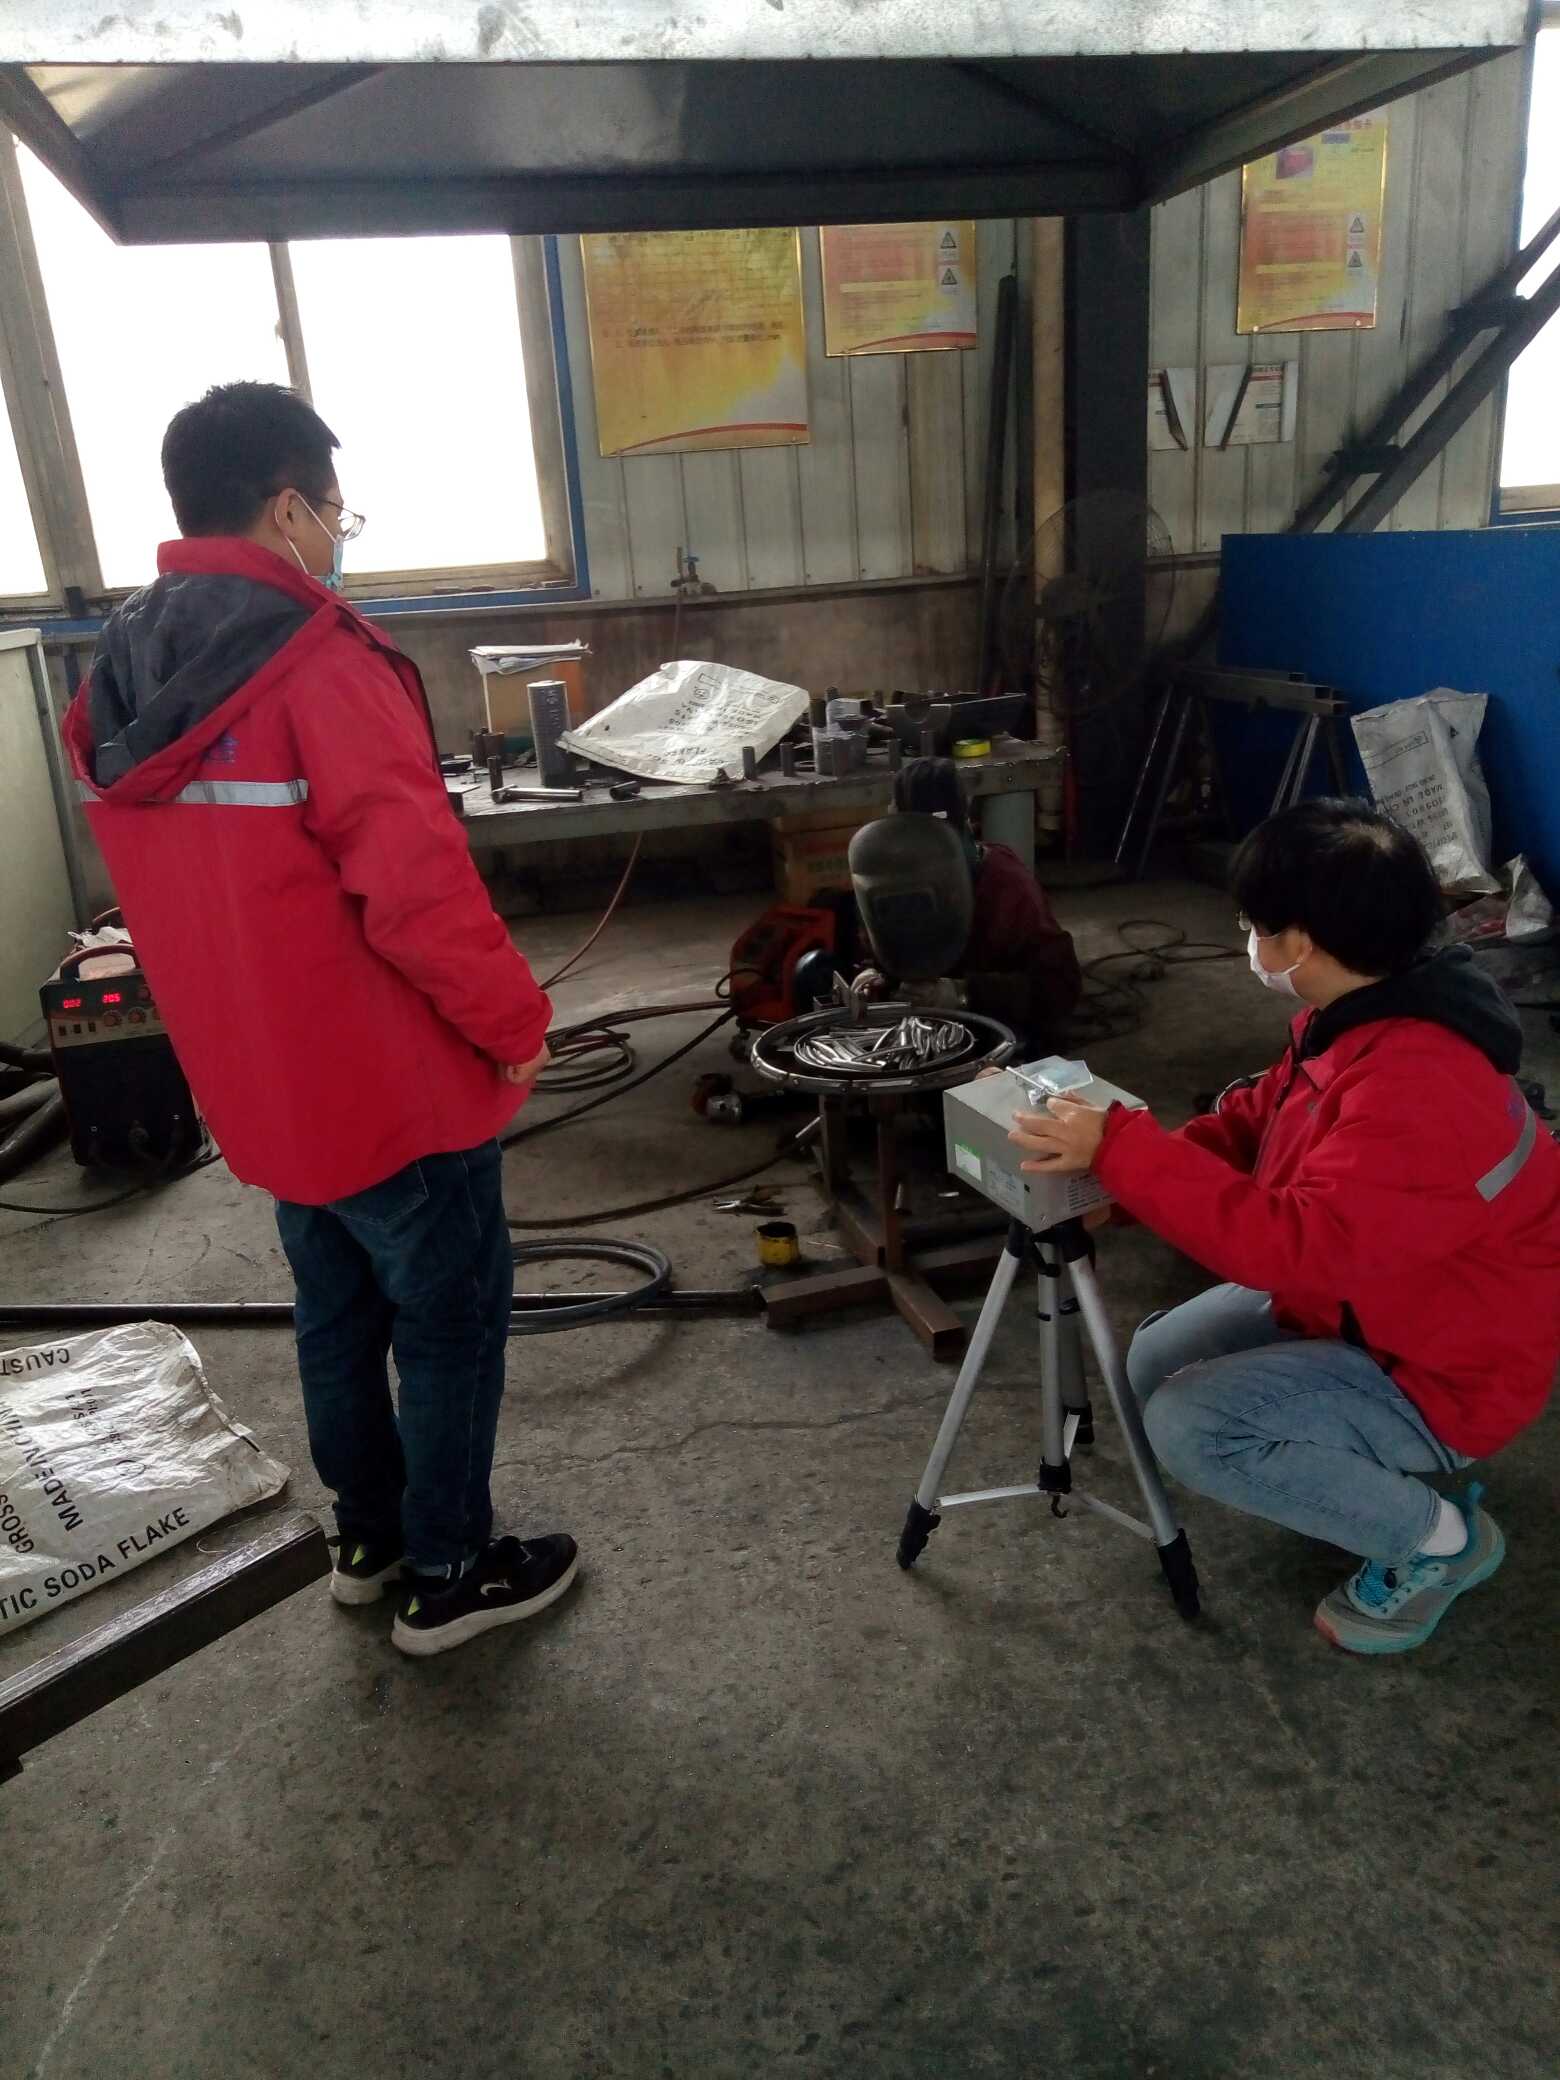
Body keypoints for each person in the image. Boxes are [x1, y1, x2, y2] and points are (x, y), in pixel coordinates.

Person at [63, 381, 577, 1659]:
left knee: (336, 1317)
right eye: (336, 512)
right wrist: (512, 1020)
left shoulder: (116, 681)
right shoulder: (320, 664)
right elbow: (416, 891)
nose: (339, 536)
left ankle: (370, 1541)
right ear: (288, 508)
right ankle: (451, 1574)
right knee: (449, 1322)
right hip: (394, 1092)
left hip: (262, 1094)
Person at [1007, 799, 1560, 1656]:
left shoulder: (1420, 1087)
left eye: (1255, 925)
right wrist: (1120, 1181)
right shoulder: (1358, 1017)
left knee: (1191, 1425)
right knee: (1151, 1362)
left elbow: (1288, 1248)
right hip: (1372, 1302)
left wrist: (1121, 1150)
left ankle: (1439, 1542)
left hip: (1445, 1368)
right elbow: (1257, 1120)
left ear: (1300, 943)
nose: (1249, 939)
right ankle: (1347, 1476)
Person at [859, 756, 1081, 1052]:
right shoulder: (894, 877)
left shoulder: (1006, 883)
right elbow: (885, 947)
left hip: (995, 1038)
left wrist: (964, 993)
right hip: (919, 1034)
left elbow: (1061, 986)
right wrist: (876, 976)